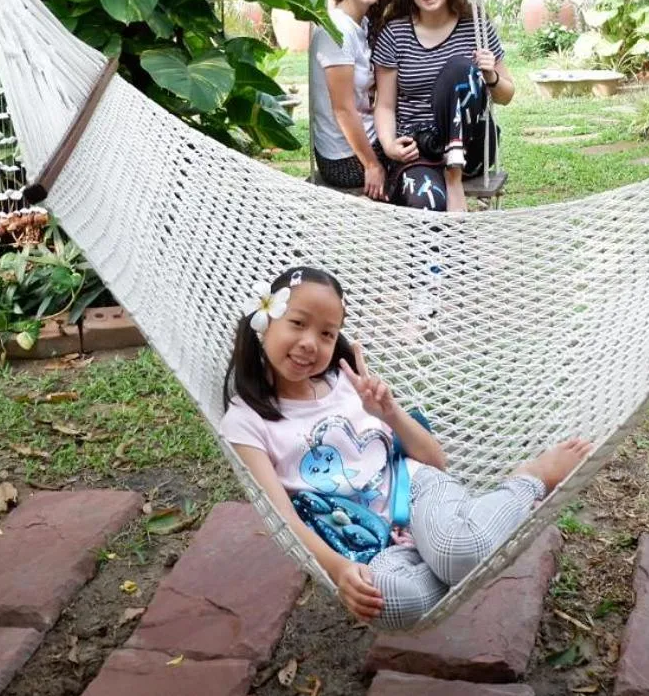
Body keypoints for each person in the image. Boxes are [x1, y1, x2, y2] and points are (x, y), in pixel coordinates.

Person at [219, 266, 592, 628]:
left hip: (416, 490)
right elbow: (281, 515)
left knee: (459, 552)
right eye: (298, 323)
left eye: (328, 334)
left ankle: (528, 481)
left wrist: (389, 412)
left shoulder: (346, 381)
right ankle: (463, 543)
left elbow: (436, 462)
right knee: (391, 603)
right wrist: (339, 569)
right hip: (368, 542)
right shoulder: (246, 422)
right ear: (265, 321)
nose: (310, 344)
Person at [371, 0, 513, 212]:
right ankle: (445, 255)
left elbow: (506, 95)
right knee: (427, 202)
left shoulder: (476, 26)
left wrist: (490, 75)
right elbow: (385, 104)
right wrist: (389, 145)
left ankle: (453, 174)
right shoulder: (395, 33)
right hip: (419, 148)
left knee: (460, 69)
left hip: (472, 150)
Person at [308, 0, 392, 198]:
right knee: (421, 156)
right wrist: (372, 165)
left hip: (359, 141)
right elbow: (343, 110)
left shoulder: (361, 23)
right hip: (345, 159)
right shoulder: (338, 30)